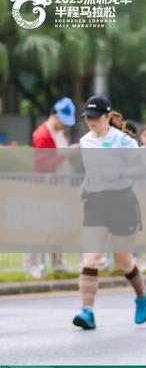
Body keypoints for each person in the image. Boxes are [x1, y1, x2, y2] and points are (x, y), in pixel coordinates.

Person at [73, 95, 146, 330]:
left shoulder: (123, 141)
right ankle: (87, 311)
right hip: (96, 204)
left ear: (108, 116)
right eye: (87, 117)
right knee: (91, 258)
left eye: (95, 117)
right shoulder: (85, 141)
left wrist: (118, 173)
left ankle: (143, 295)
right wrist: (85, 186)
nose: (91, 121)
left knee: (123, 262)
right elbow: (91, 172)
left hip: (122, 203)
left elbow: (141, 170)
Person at [27, 97, 79, 276]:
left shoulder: (59, 133)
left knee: (58, 226)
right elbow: (43, 164)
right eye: (64, 122)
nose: (65, 126)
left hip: (58, 188)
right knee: (39, 227)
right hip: (44, 188)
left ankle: (57, 262)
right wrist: (66, 153)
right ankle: (32, 265)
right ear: (55, 116)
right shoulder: (42, 135)